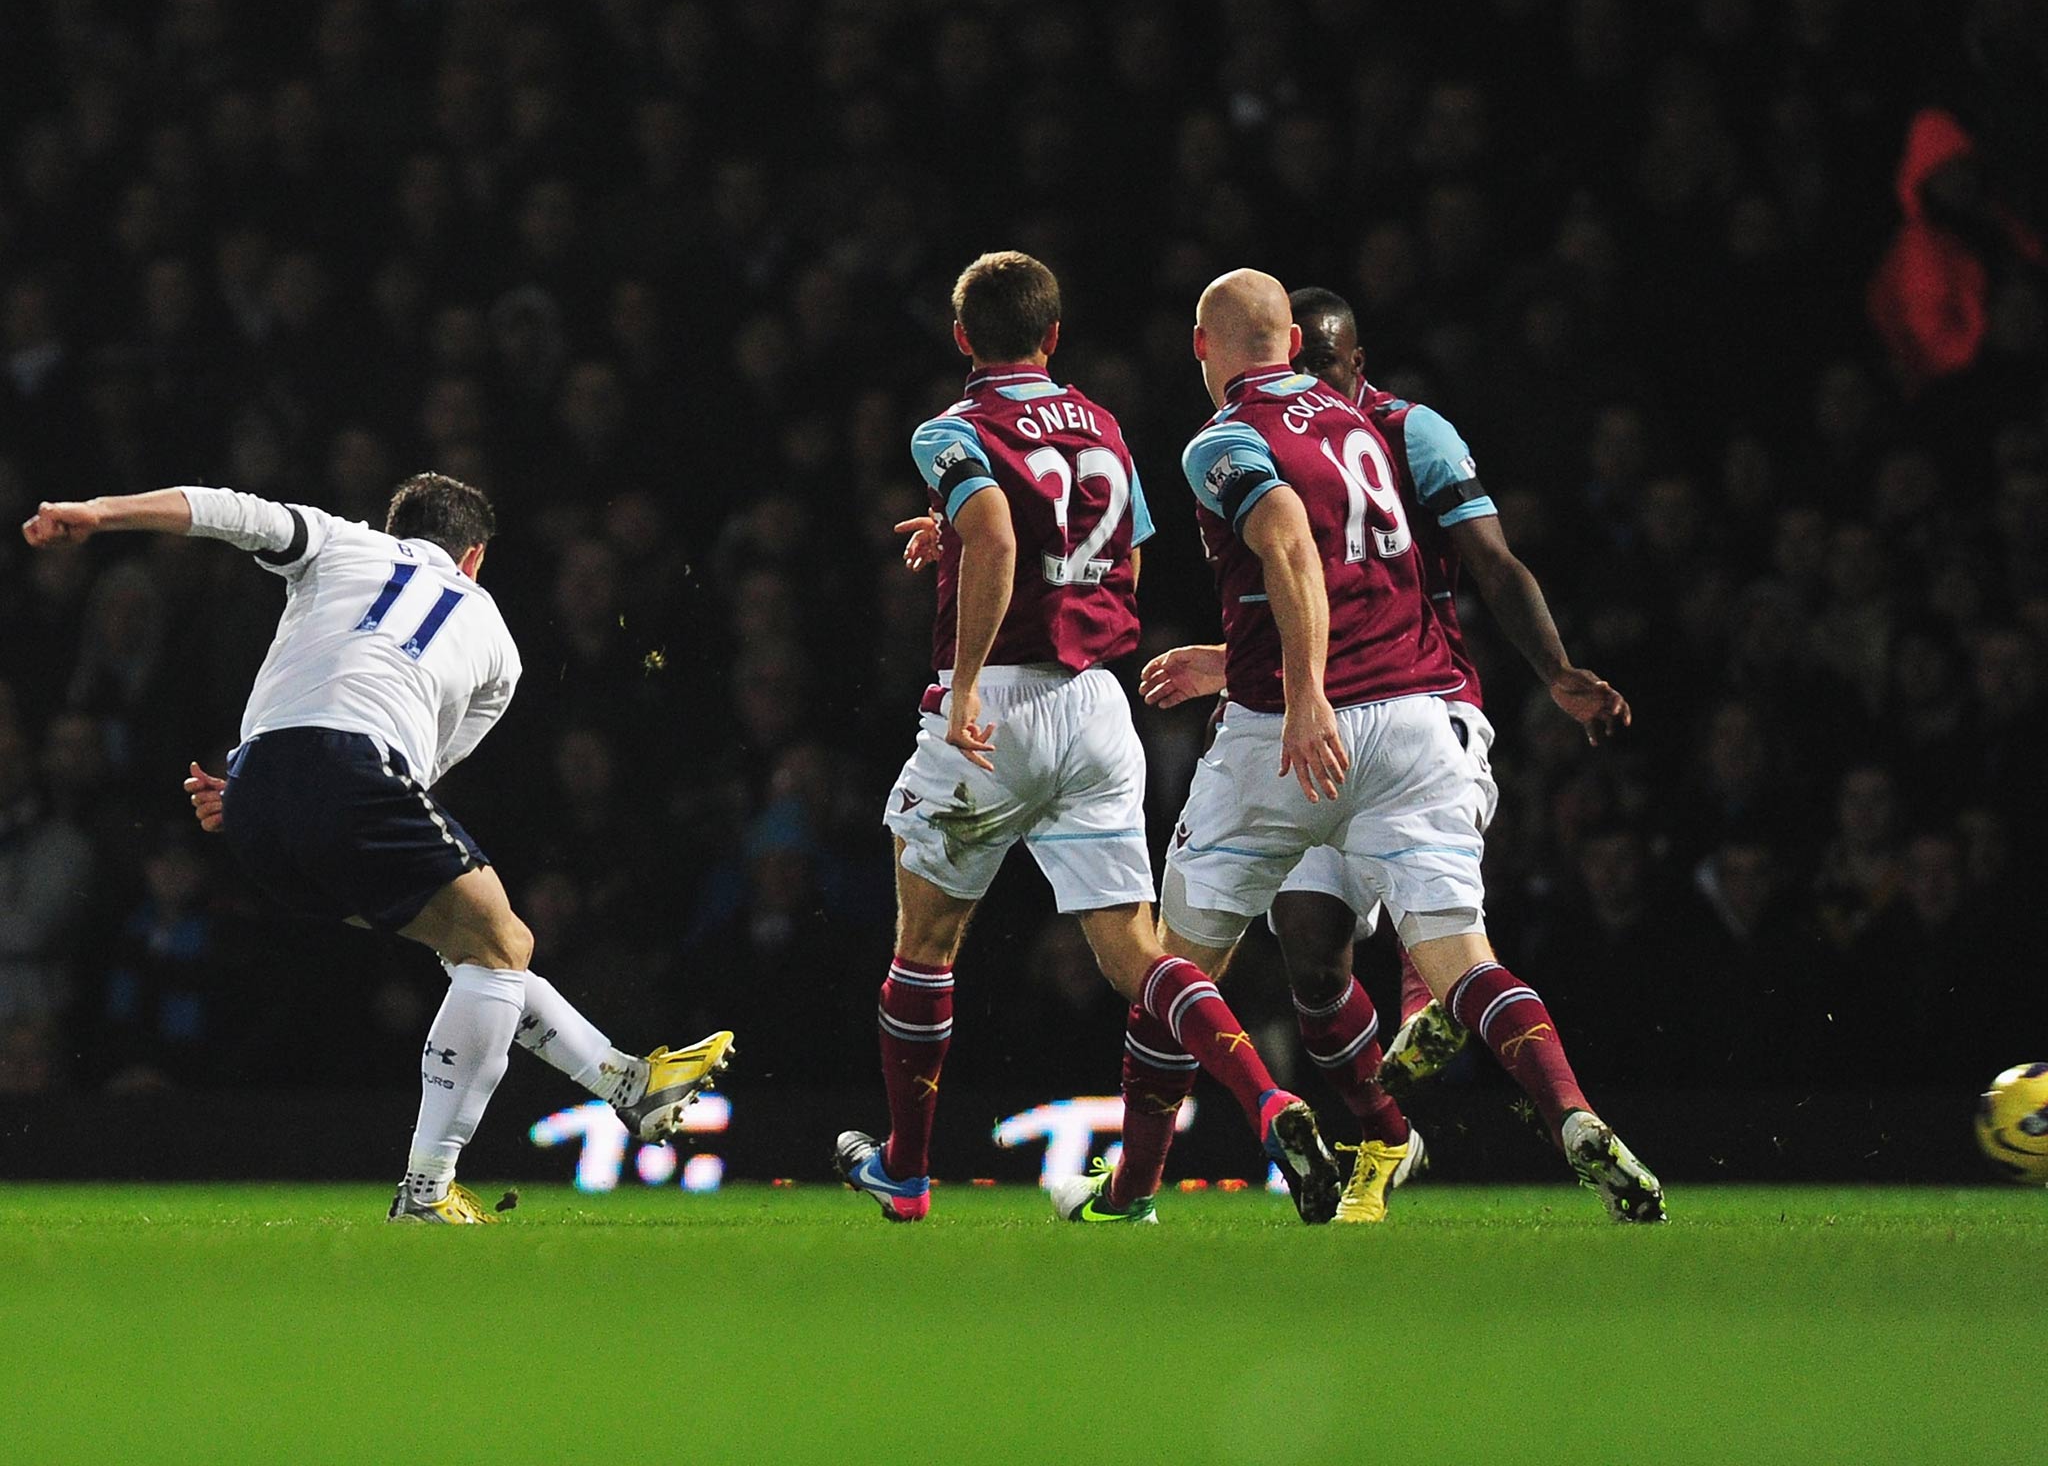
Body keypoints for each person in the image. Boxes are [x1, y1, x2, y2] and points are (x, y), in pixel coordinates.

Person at [21, 474, 734, 1223]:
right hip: (356, 772)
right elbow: (422, 771)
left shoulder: (338, 540)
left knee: (478, 947)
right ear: (475, 558)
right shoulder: (497, 642)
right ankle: (427, 1187)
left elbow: (223, 510)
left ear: (396, 527)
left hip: (255, 793)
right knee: (500, 944)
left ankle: (630, 1084)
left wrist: (100, 514)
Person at [1107, 268, 1662, 1225]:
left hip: (1293, 733)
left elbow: (1285, 543)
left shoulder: (1224, 441)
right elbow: (1371, 578)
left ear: (1205, 346)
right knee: (1463, 963)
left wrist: (1305, 693)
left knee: (1172, 971)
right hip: (1415, 718)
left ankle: (1146, 1182)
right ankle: (1568, 1112)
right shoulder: (1369, 428)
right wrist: (1232, 653)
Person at [835, 251, 1340, 1225]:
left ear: (961, 339)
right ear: (1053, 336)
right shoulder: (1102, 426)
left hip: (999, 704)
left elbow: (996, 536)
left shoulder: (954, 427)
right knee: (1136, 955)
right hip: (1096, 705)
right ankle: (1268, 1101)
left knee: (926, 944)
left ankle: (903, 1170)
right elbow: (1117, 554)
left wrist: (971, 681)